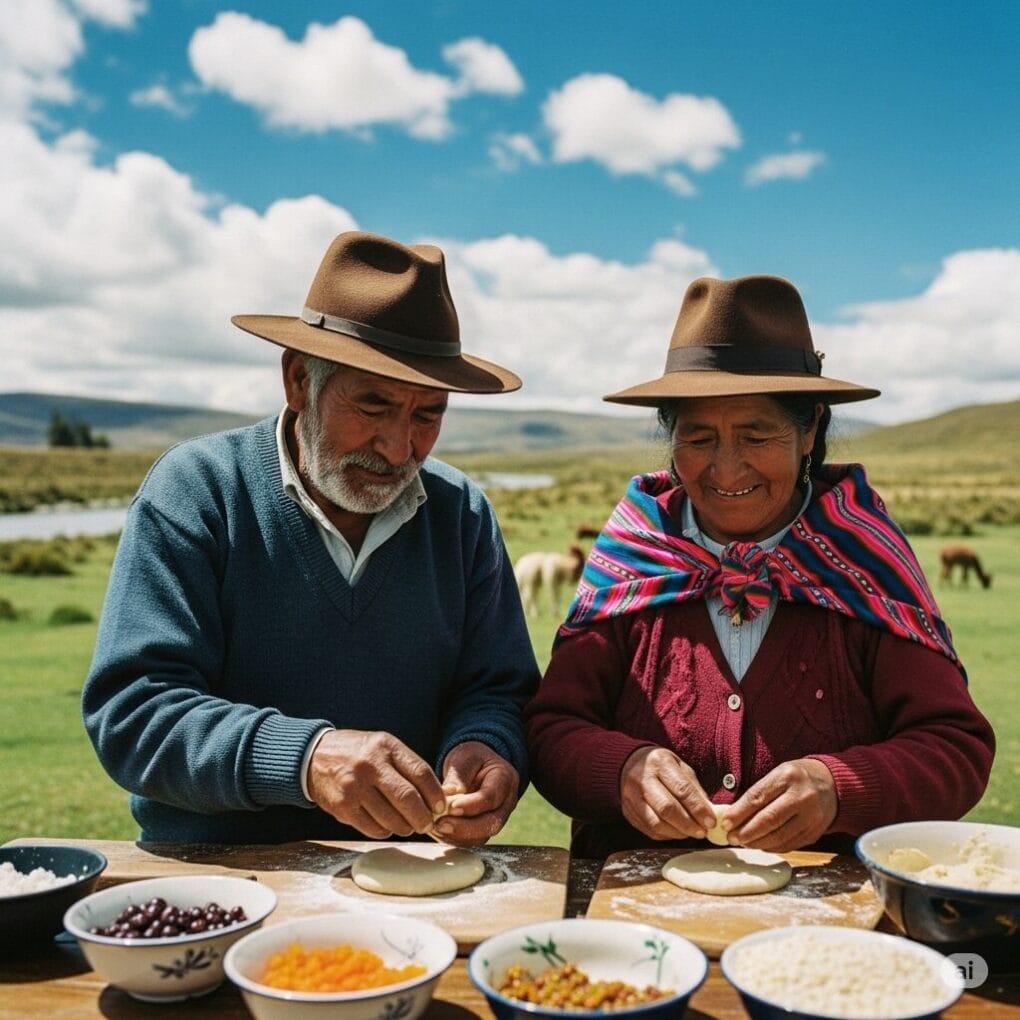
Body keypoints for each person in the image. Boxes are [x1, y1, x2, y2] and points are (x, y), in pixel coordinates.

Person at [83, 230, 539, 846]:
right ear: (299, 381)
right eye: (374, 405)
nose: (399, 447)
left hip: (411, 883)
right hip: (216, 877)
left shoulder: (460, 514)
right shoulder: (196, 491)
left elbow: (497, 689)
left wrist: (486, 746)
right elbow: (134, 714)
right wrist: (304, 758)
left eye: (428, 413)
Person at [524, 274, 995, 859]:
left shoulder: (862, 561)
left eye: (755, 435)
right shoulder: (635, 558)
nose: (725, 470)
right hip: (636, 928)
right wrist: (621, 769)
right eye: (698, 439)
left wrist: (838, 788)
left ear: (810, 429)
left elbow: (955, 748)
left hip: (821, 934)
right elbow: (551, 729)